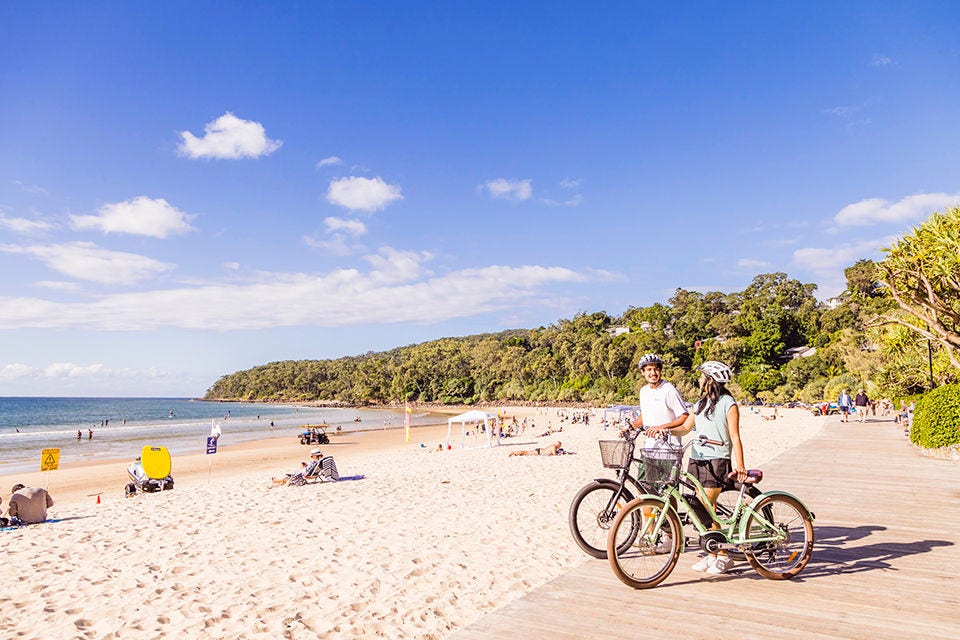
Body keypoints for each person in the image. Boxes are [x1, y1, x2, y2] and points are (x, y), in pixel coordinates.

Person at [648, 361, 746, 576]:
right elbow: (684, 427)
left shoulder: (728, 404)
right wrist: (664, 430)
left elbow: (735, 437)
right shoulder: (701, 403)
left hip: (717, 459)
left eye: (702, 377)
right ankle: (711, 554)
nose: (699, 380)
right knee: (699, 509)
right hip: (697, 458)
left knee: (707, 507)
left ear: (711, 380)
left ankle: (723, 556)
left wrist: (740, 465)